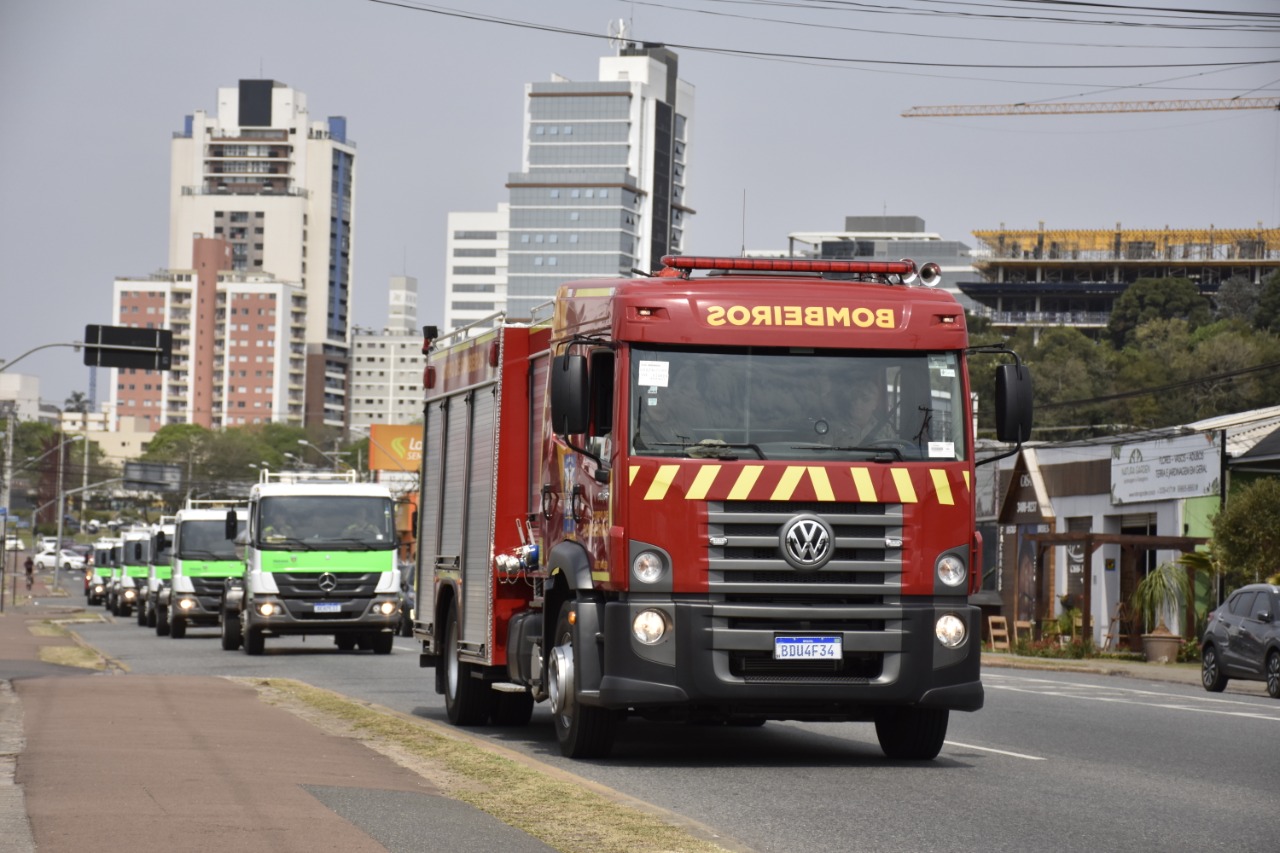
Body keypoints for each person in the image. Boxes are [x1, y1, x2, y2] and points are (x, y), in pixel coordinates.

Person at [836, 372, 896, 446]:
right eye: (854, 398)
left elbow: (899, 453)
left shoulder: (886, 430)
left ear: (875, 404)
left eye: (865, 399)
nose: (857, 403)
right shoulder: (834, 428)